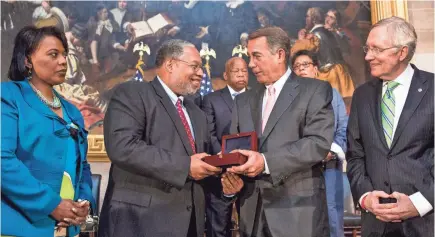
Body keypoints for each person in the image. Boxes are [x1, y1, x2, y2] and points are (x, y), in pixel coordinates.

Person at [98, 39, 222, 237]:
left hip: (190, 225)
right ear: (170, 64)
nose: (201, 73)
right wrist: (185, 166)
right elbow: (122, 147)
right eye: (195, 66)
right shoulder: (133, 93)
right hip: (139, 223)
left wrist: (225, 180)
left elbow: (200, 164)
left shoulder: (197, 114)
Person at [224, 26, 334, 237]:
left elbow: (317, 143)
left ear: (280, 55)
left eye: (256, 56)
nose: (250, 64)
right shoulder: (242, 101)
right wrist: (229, 172)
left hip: (297, 212)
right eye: (249, 57)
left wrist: (264, 162)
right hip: (251, 212)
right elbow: (237, 149)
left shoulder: (315, 90)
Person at [1, 26, 95, 237]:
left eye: (64, 55)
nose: (63, 61)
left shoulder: (72, 111)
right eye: (53, 54)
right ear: (27, 60)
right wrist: (51, 205)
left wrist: (83, 203)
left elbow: (83, 166)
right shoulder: (8, 96)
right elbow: (2, 159)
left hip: (67, 227)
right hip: (20, 225)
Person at [346, 16, 434, 237]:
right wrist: (365, 197)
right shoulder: (362, 95)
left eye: (376, 50)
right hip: (376, 225)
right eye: (367, 48)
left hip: (426, 222)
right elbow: (355, 155)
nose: (368, 56)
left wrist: (421, 202)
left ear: (402, 52)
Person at [292, 50, 348, 237]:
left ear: (315, 69)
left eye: (305, 65)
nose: (301, 70)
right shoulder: (289, 100)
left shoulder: (332, 94)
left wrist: (329, 151)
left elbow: (343, 128)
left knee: (332, 218)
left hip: (329, 165)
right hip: (299, 171)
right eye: (297, 67)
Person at [201, 57, 249, 237]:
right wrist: (223, 157)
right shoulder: (211, 99)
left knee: (251, 225)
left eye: (244, 70)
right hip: (220, 173)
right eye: (235, 71)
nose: (240, 74)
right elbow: (209, 132)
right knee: (219, 226)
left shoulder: (257, 98)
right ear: (225, 75)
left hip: (251, 172)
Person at [292, 7, 355, 100]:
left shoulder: (313, 36)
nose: (306, 19)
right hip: (341, 72)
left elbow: (297, 54)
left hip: (328, 74)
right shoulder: (332, 32)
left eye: (307, 16)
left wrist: (300, 40)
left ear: (313, 19)